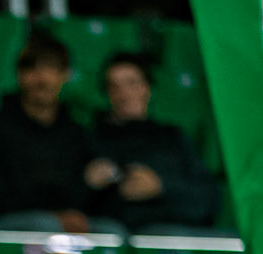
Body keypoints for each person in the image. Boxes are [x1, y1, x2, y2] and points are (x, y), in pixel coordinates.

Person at [0, 35, 122, 237]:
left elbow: (88, 188)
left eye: (51, 68)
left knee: (112, 232)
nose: (42, 78)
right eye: (32, 69)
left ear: (66, 74)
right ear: (20, 76)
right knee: (47, 227)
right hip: (10, 220)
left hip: (63, 219)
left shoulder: (76, 130)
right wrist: (57, 214)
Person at [92, 52, 219, 235]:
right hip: (121, 238)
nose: (124, 94)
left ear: (147, 88)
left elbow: (209, 198)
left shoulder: (172, 138)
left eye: (132, 84)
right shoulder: (92, 139)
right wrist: (90, 184)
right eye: (114, 87)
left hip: (174, 234)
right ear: (106, 94)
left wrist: (160, 187)